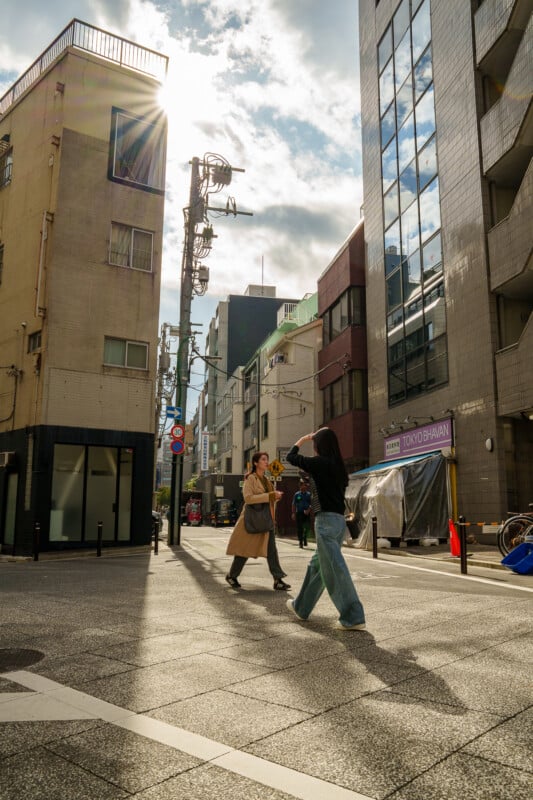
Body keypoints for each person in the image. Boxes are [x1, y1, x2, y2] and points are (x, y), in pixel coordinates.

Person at [285, 428, 366, 630]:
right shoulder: (338, 465)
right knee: (318, 566)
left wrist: (302, 439)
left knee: (334, 569)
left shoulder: (320, 463)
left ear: (319, 445)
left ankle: (353, 616)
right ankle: (301, 607)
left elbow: (291, 457)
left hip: (326, 522)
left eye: (314, 444)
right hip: (338, 521)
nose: (313, 448)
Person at [225, 451, 291, 591]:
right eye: (263, 459)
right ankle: (232, 575)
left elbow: (269, 499)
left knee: (272, 551)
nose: (266, 462)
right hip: (252, 520)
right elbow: (248, 498)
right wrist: (271, 495)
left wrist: (275, 498)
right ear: (256, 463)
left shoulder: (266, 481)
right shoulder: (250, 479)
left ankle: (278, 579)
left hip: (266, 520)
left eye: (267, 459)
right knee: (245, 550)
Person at [291, 480, 311, 547]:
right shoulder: (297, 494)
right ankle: (300, 542)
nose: (304, 486)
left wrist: (308, 510)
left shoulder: (309, 495)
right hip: (299, 513)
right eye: (302, 485)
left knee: (306, 527)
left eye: (305, 485)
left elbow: (311, 504)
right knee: (300, 528)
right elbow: (294, 504)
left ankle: (305, 538)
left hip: (307, 513)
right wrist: (293, 513)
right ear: (300, 486)